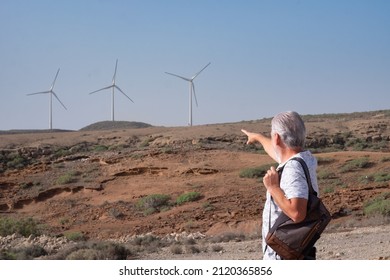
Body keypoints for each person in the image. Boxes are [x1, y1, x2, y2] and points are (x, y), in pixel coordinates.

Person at [241, 111, 319, 260]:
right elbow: (276, 151)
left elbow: (297, 213)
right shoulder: (304, 159)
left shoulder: (292, 169)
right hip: (297, 250)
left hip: (284, 255)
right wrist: (257, 137)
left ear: (276, 137)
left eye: (272, 135)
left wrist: (273, 188)